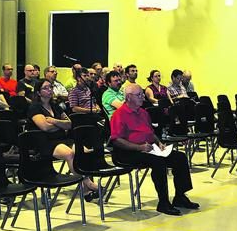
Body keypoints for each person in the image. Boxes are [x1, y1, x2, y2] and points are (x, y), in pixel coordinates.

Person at [110, 85, 198, 216]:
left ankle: (180, 196)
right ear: (128, 97)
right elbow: (116, 140)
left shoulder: (143, 113)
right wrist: (139, 148)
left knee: (180, 157)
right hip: (128, 152)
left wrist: (159, 143)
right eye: (138, 95)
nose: (142, 97)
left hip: (149, 148)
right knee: (158, 162)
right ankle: (163, 202)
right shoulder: (119, 114)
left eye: (142, 94)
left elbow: (150, 133)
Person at [27, 79, 99, 199]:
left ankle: (86, 191)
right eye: (45, 88)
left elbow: (69, 124)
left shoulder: (55, 106)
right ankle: (88, 184)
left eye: (50, 87)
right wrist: (60, 125)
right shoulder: (35, 108)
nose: (49, 90)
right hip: (44, 142)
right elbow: (44, 127)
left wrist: (54, 121)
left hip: (61, 139)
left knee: (84, 152)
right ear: (38, 93)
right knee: (69, 154)